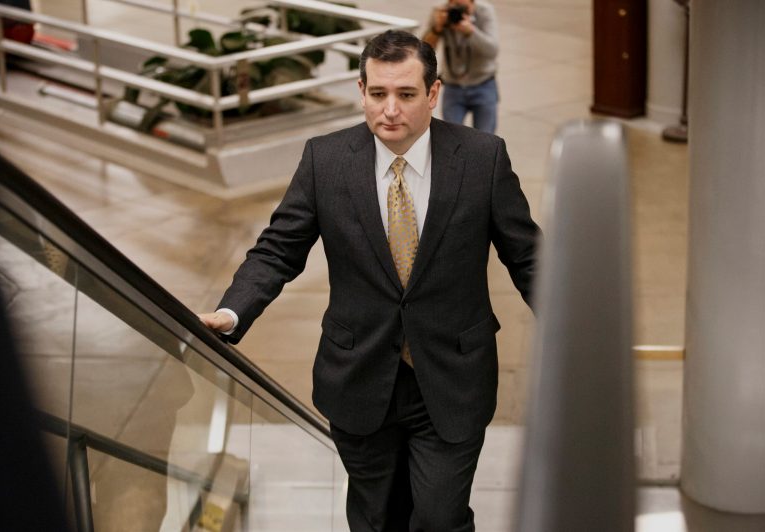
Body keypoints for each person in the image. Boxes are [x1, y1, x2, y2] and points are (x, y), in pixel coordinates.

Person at [198, 30, 539, 531]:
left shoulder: (483, 158)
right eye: (378, 93)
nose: (390, 110)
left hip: (452, 377)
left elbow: (528, 257)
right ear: (361, 91)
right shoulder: (325, 160)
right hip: (359, 378)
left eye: (406, 94)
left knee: (440, 518)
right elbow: (278, 249)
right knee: (375, 518)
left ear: (433, 93)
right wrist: (232, 311)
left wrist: (576, 329)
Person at [423, 0, 499, 134]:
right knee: (452, 138)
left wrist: (471, 32)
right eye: (454, 4)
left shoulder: (484, 11)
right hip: (453, 87)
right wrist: (436, 29)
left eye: (463, 7)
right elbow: (424, 51)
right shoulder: (441, 11)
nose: (458, 11)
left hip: (483, 84)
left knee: (486, 139)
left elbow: (492, 51)